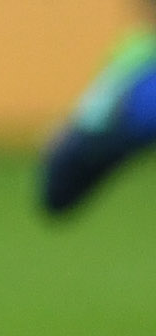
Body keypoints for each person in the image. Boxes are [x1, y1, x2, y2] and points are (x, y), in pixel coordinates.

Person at [38, 30, 156, 215]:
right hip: (113, 131)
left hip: (116, 131)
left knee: (58, 193)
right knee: (57, 194)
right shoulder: (139, 48)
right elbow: (104, 96)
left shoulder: (139, 48)